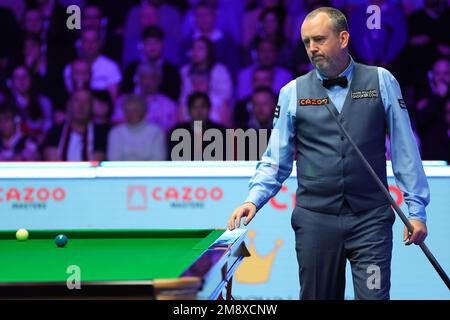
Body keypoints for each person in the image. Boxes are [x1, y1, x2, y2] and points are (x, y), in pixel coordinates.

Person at [228, 7, 430, 300]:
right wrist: (253, 199)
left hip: (370, 221)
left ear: (344, 37)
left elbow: (404, 151)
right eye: (306, 42)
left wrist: (417, 212)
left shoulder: (381, 81)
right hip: (315, 222)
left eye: (319, 39)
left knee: (374, 297)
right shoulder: (292, 92)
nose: (312, 48)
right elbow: (275, 161)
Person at [43, 89, 109, 161]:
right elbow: (52, 165)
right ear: (68, 105)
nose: (81, 106)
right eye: (77, 100)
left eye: (86, 102)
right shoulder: (55, 132)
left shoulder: (100, 134)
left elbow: (98, 164)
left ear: (91, 107)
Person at [107, 94, 166, 161]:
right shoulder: (116, 132)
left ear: (144, 111)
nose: (130, 114)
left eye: (135, 110)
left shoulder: (156, 132)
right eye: (127, 111)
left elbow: (158, 160)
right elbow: (114, 161)